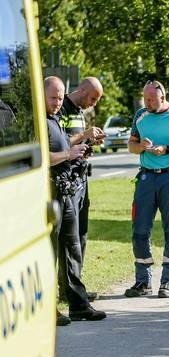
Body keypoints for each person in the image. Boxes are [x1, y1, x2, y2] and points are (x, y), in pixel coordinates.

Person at [126, 80, 169, 298]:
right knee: (139, 231)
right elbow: (131, 145)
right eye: (145, 99)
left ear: (162, 98)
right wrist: (142, 147)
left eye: (151, 100)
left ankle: (168, 281)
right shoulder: (140, 115)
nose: (146, 103)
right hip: (146, 178)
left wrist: (167, 149)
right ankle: (142, 281)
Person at [44, 76, 106, 324]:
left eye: (60, 98)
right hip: (50, 192)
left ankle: (79, 305)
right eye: (53, 98)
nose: (58, 102)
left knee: (72, 247)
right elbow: (41, 156)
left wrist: (81, 141)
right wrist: (68, 154)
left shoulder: (55, 119)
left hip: (66, 189)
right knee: (50, 251)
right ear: (42, 95)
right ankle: (48, 308)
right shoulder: (38, 121)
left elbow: (65, 143)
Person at [59, 77, 105, 302]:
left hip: (81, 177)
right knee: (70, 239)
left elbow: (76, 143)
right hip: (68, 180)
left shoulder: (79, 111)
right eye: (93, 98)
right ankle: (68, 289)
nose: (93, 104)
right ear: (83, 90)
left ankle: (77, 285)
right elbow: (60, 141)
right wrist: (85, 134)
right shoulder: (61, 108)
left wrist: (89, 145)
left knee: (81, 235)